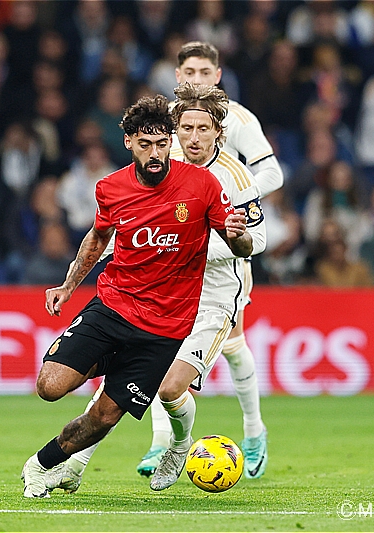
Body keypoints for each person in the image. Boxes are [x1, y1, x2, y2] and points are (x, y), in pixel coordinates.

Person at [20, 94, 254, 498]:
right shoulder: (110, 188)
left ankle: (41, 464)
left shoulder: (202, 185)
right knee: (50, 386)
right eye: (146, 144)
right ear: (128, 142)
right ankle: (109, 365)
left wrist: (239, 236)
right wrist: (68, 285)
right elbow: (97, 238)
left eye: (162, 143)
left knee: (106, 415)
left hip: (165, 328)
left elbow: (242, 246)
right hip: (113, 306)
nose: (156, 153)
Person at [137, 40, 283, 480]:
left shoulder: (233, 119)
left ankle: (255, 430)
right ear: (177, 76)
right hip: (173, 250)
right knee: (163, 342)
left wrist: (232, 205)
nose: (196, 80)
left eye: (205, 73)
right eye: (189, 73)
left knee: (235, 344)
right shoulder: (167, 122)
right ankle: (162, 442)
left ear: (216, 77)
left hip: (223, 248)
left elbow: (272, 171)